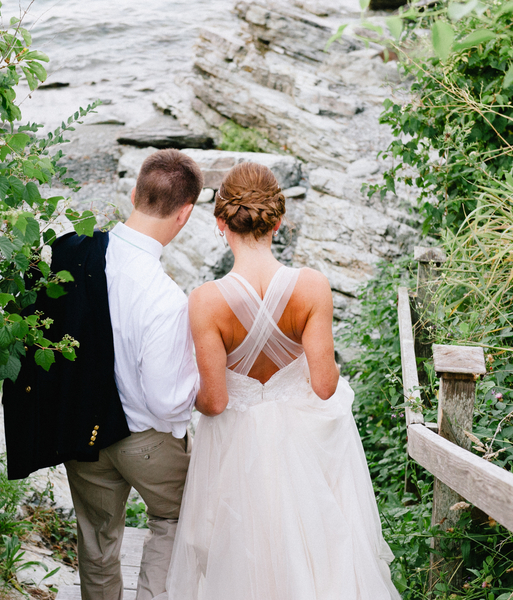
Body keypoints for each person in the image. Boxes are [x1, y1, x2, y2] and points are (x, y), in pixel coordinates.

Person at [159, 163, 400, 600]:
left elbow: (215, 402)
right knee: (318, 559)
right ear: (278, 221)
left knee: (239, 560)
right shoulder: (312, 287)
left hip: (235, 454)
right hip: (303, 452)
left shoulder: (206, 301)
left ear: (220, 222)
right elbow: (324, 386)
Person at [62, 148, 203, 600]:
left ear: (133, 194)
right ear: (185, 214)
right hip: (144, 440)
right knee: (176, 518)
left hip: (81, 431)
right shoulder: (165, 298)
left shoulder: (71, 253)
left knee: (97, 536)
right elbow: (165, 401)